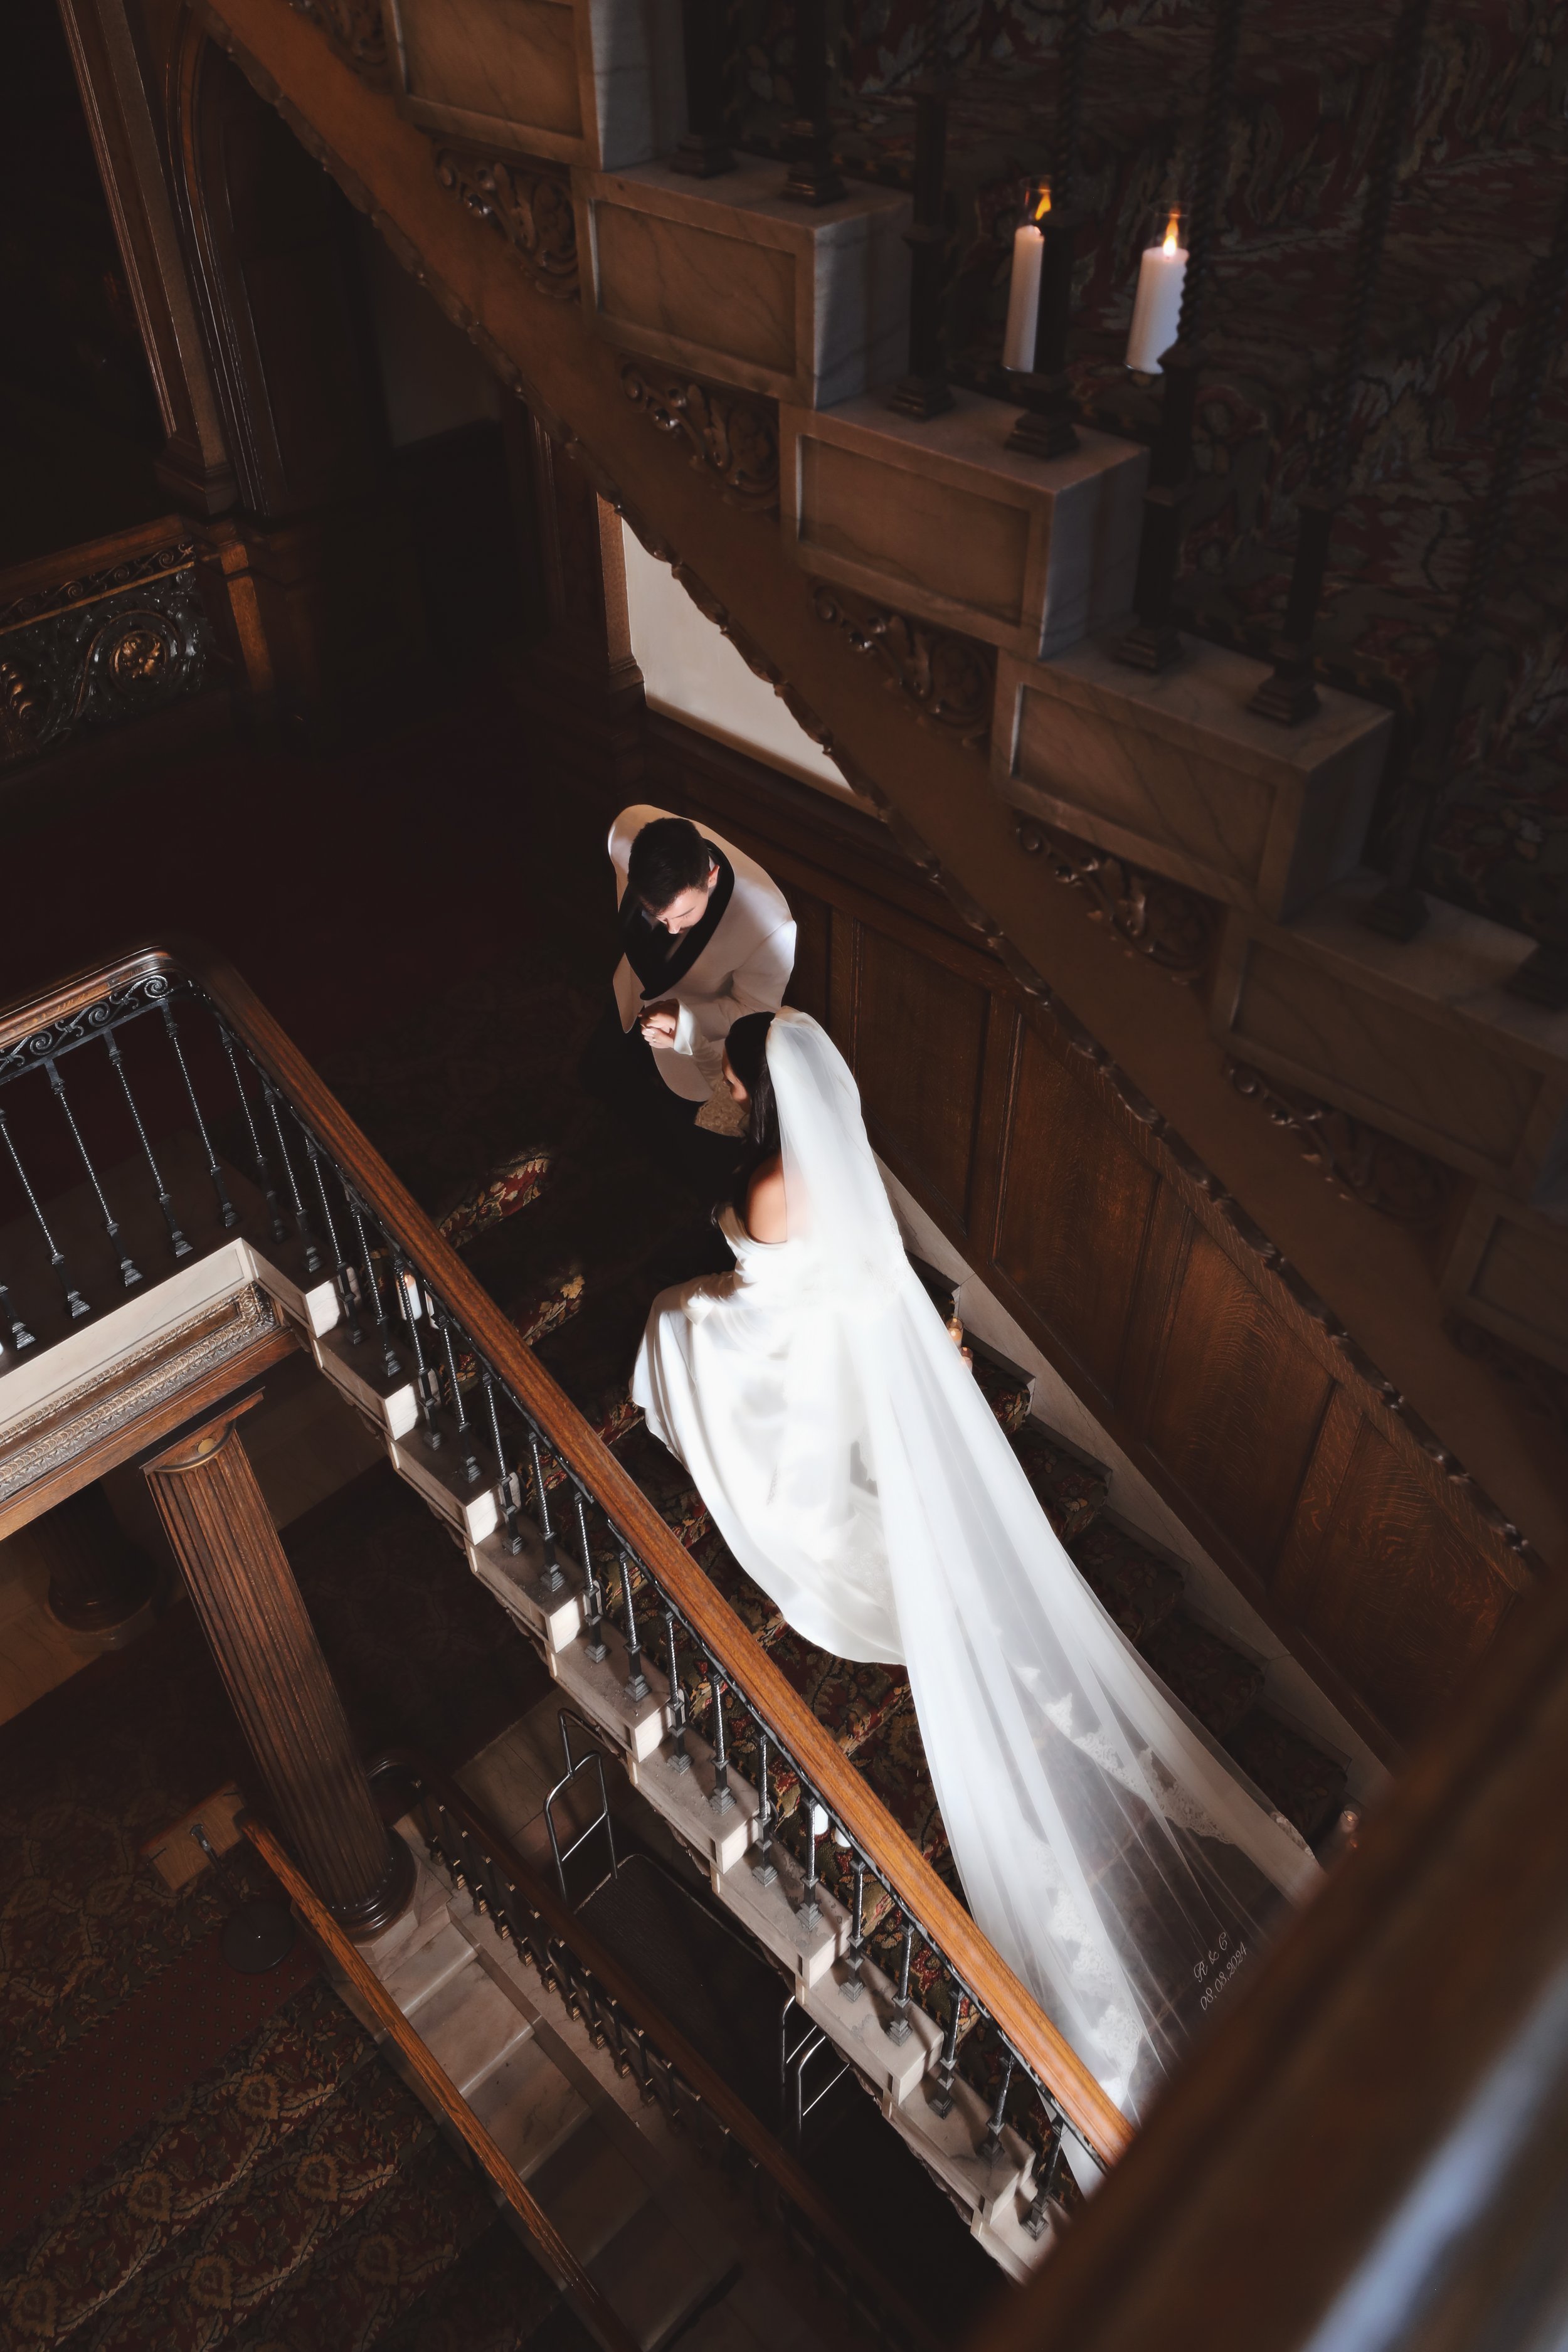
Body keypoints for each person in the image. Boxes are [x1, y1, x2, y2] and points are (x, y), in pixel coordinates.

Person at [632, 1009, 1322, 2122]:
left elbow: (764, 1292)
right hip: (852, 1332)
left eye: (731, 1073)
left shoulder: (768, 1187)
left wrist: (711, 1296)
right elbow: (862, 1261)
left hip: (796, 1355)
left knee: (675, 1332)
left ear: (760, 1089)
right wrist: (934, 1332)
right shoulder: (835, 1153)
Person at [582, 805, 795, 1189]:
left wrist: (686, 1023)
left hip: (700, 1046)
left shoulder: (771, 927)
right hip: (631, 993)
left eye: (683, 915)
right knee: (601, 1074)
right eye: (660, 917)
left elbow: (753, 1016)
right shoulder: (624, 834)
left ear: (711, 876)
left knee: (686, 1157)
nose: (671, 929)